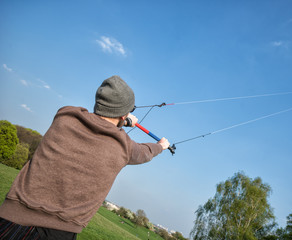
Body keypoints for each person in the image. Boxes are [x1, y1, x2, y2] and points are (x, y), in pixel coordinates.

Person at [0, 75, 170, 239]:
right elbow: (145, 152)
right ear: (123, 113)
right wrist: (161, 145)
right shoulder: (124, 146)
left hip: (9, 219)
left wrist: (122, 120)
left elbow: (97, 122)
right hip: (59, 231)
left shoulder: (65, 116)